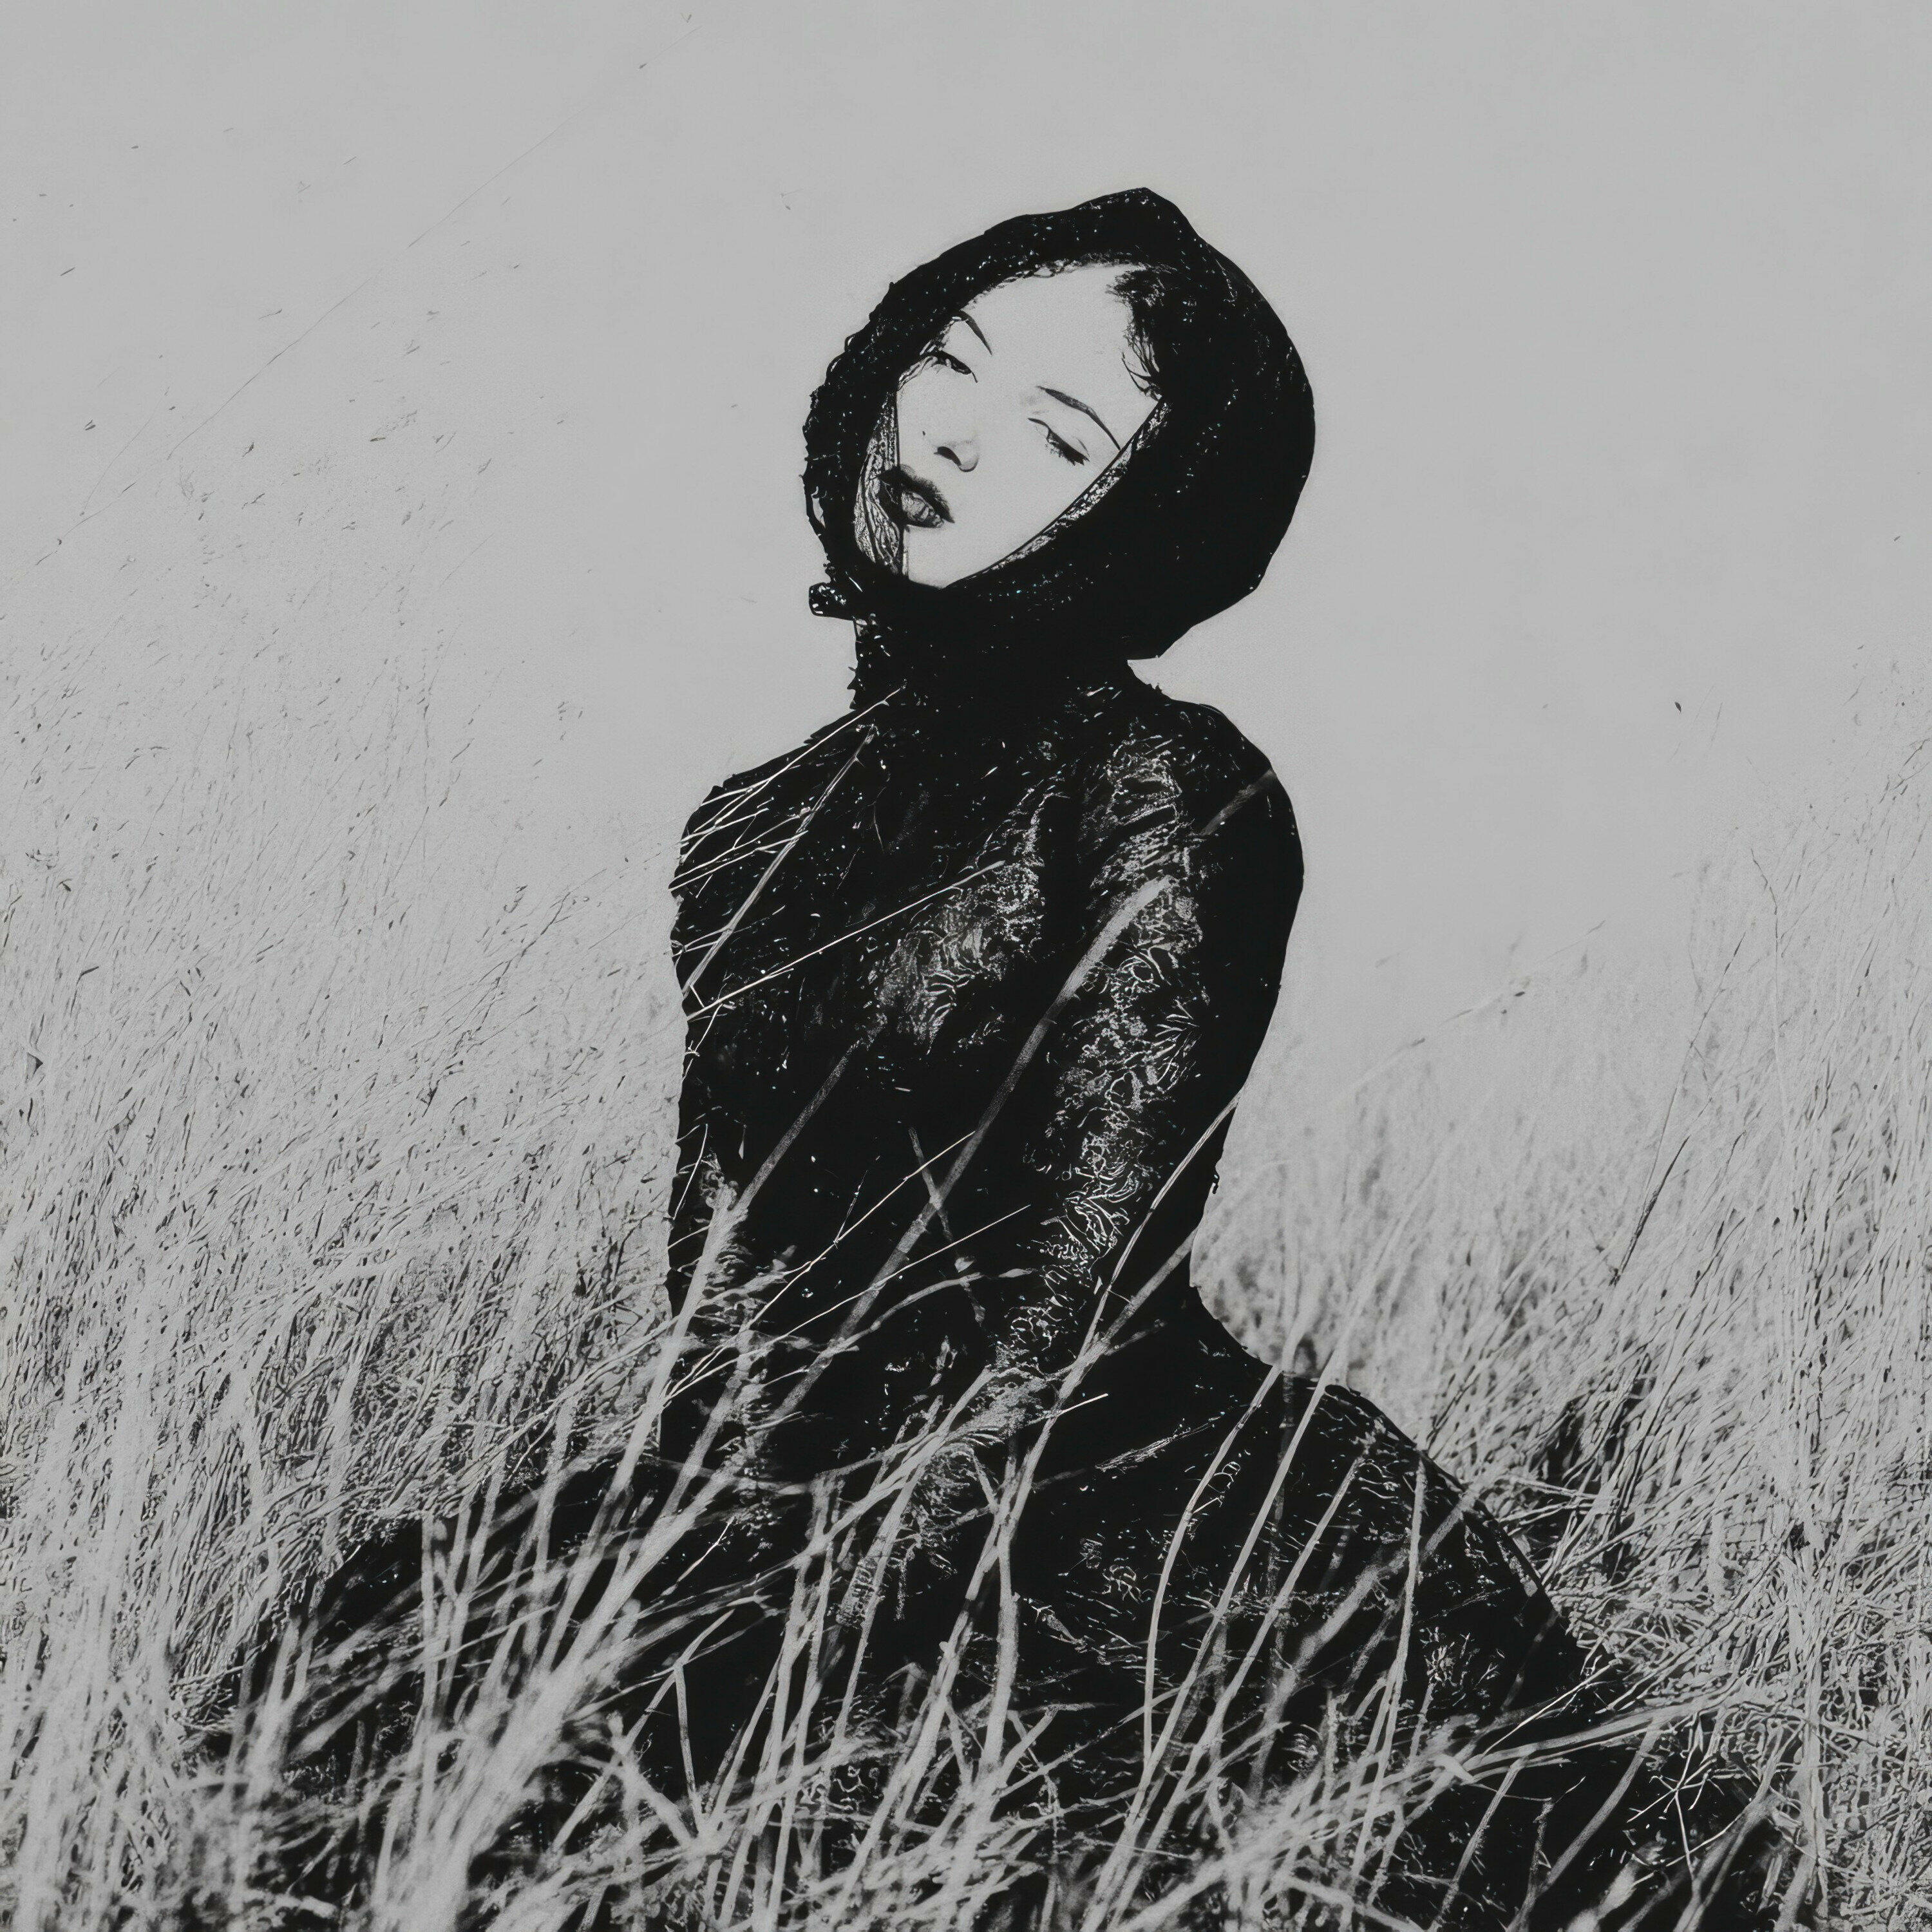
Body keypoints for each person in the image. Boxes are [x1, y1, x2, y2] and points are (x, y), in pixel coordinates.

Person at [231, 190, 1792, 1930]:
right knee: (366, 1727)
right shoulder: (748, 823)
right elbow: (724, 1270)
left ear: (1151, 509)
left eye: (1058, 434)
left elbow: (1077, 1301)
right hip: (780, 1490)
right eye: (947, 362)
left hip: (1112, 1517)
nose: (955, 435)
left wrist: (808, 1627)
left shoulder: (1163, 791)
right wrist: (673, 1547)